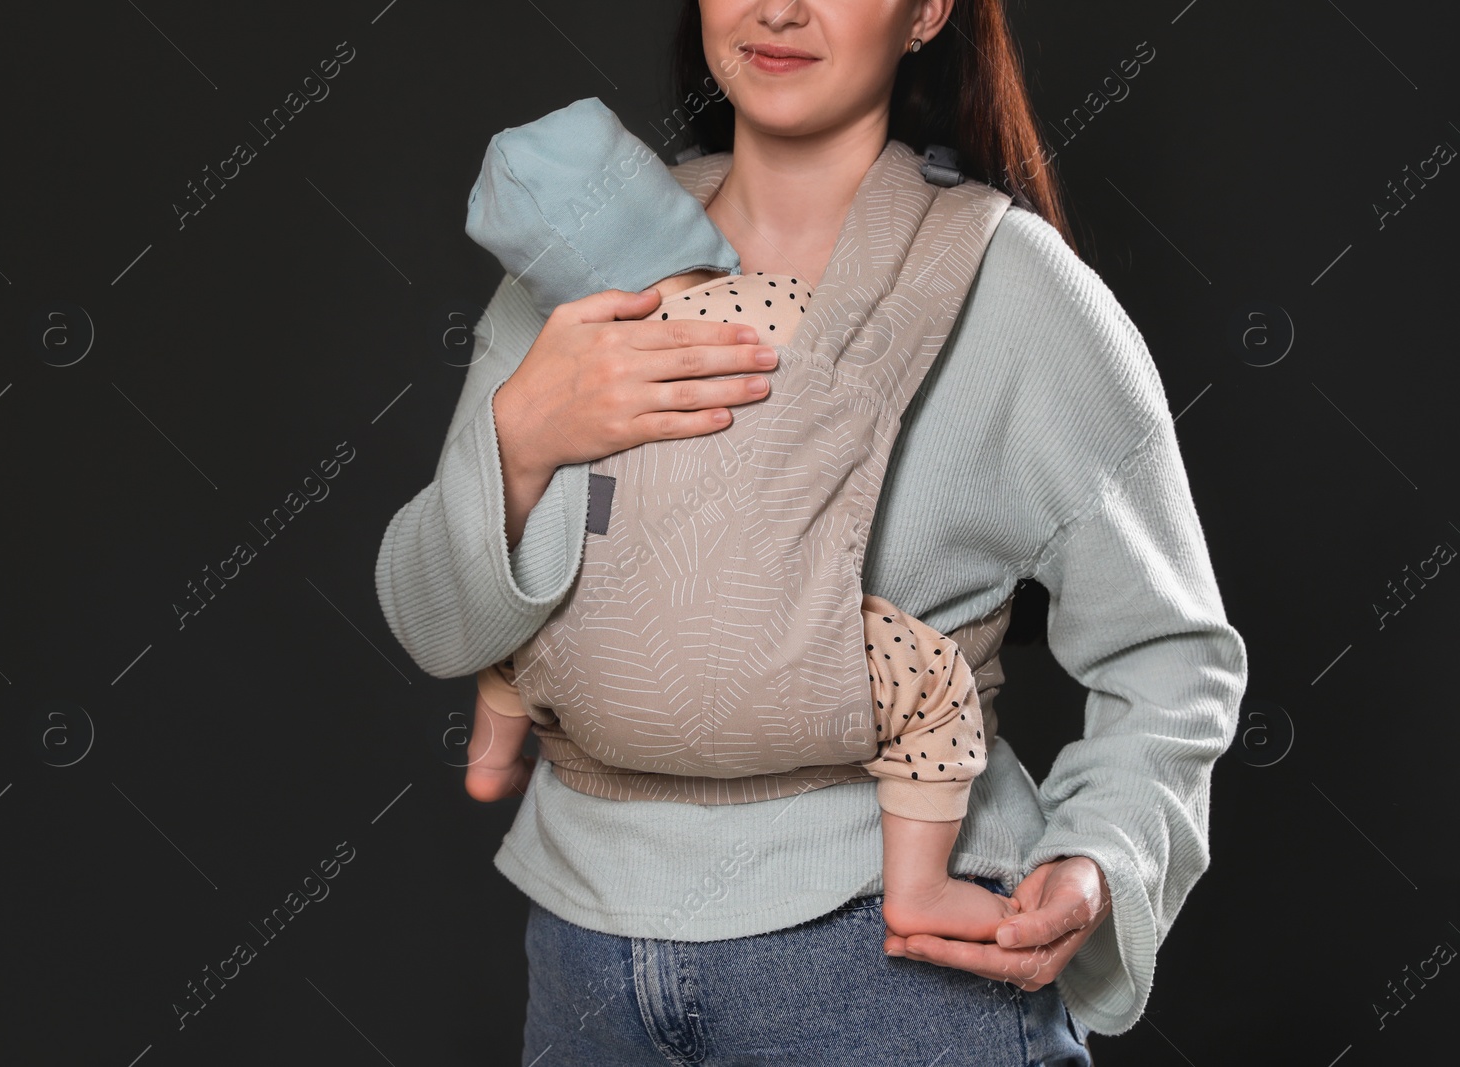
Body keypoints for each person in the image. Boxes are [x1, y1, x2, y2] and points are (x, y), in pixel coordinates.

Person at [373, 1, 1248, 1063]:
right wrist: (521, 438)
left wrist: (1100, 857)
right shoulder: (573, 259)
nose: (778, 7)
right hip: (584, 962)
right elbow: (436, 624)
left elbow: (1171, 654)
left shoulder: (1007, 286)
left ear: (927, 11)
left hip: (886, 962)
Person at [457, 96, 1014, 943]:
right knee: (934, 689)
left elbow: (477, 566)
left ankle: (491, 759)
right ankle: (919, 887)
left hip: (589, 663)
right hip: (786, 642)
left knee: (521, 610)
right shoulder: (785, 301)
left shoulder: (558, 367)